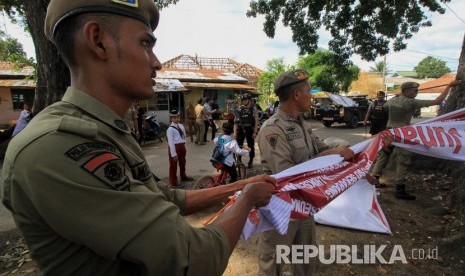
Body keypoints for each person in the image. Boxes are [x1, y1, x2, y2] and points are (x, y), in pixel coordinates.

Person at [0, 1, 277, 274]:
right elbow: (192, 259)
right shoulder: (57, 145)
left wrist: (239, 186)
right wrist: (247, 198)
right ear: (98, 41)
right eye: (146, 44)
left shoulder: (107, 129)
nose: (156, 63)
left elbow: (164, 197)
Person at [257, 69, 355, 276]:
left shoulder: (302, 123)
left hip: (304, 204)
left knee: (304, 258)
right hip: (280, 207)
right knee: (272, 262)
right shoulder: (272, 129)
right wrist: (331, 153)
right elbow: (287, 174)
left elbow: (319, 148)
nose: (311, 97)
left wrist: (357, 155)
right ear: (296, 95)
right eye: (309, 92)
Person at [367, 80, 462, 200]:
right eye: (415, 90)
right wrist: (449, 86)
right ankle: (400, 189)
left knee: (384, 155)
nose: (417, 93)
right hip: (403, 133)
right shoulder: (411, 102)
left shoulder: (392, 100)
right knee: (403, 160)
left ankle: (374, 180)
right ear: (406, 91)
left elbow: (384, 107)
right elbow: (438, 101)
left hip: (390, 131)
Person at [166, 109, 193, 187]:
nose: (176, 119)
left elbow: (183, 136)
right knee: (173, 165)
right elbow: (170, 142)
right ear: (171, 119)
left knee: (182, 163)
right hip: (174, 147)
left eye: (177, 117)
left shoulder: (181, 126)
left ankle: (183, 176)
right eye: (174, 118)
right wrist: (173, 154)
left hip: (181, 146)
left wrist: (184, 146)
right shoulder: (170, 129)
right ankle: (173, 182)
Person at [234, 93, 259, 169]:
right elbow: (235, 122)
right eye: (243, 100)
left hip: (250, 130)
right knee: (239, 145)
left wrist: (255, 132)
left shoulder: (253, 109)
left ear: (249, 100)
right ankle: (239, 160)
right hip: (241, 130)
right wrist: (235, 132)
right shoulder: (239, 109)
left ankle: (251, 160)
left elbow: (256, 121)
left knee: (251, 145)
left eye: (245, 100)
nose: (244, 101)